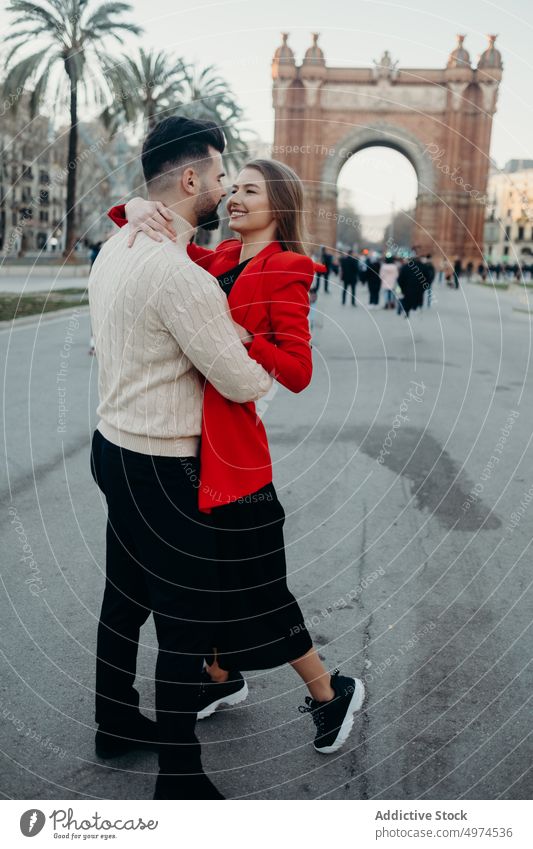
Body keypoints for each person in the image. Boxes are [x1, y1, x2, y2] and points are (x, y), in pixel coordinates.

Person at [109, 158, 365, 761]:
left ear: (280, 203)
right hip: (192, 446)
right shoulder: (219, 258)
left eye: (251, 190)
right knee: (213, 574)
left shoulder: (287, 269)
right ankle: (225, 678)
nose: (235, 199)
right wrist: (136, 208)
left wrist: (245, 341)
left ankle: (331, 693)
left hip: (238, 457)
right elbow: (159, 239)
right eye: (234, 189)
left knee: (260, 588)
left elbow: (298, 372)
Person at [89, 117, 275, 801]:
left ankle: (113, 718)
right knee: (185, 618)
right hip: (165, 466)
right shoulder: (178, 275)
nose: (226, 190)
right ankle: (179, 772)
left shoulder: (118, 245)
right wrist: (243, 331)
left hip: (111, 446)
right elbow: (242, 380)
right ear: (190, 178)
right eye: (221, 175)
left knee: (124, 597)